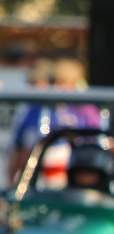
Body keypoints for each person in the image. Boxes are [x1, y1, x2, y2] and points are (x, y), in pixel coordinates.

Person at [9, 59, 102, 187]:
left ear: (74, 84)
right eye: (54, 82)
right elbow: (19, 152)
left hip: (78, 183)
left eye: (63, 82)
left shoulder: (87, 111)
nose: (58, 87)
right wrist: (14, 186)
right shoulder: (36, 110)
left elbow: (98, 154)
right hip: (40, 184)